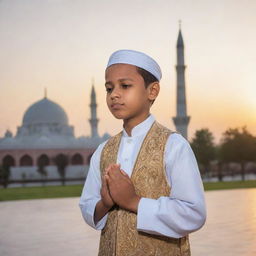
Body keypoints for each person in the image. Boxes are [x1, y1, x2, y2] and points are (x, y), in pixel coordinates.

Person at [79, 49, 206, 256]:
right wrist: (105, 203)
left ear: (152, 91)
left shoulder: (173, 145)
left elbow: (193, 214)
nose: (114, 95)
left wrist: (133, 201)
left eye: (125, 86)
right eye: (109, 88)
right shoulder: (104, 151)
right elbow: (87, 206)